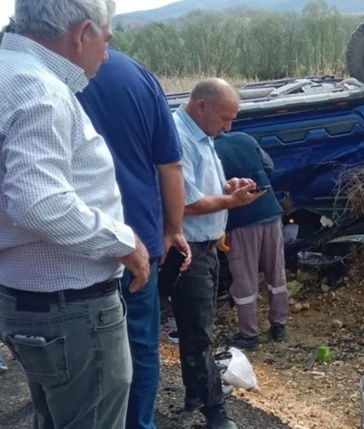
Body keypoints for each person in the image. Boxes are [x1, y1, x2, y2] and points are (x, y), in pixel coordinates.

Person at [0, 1, 151, 428]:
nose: (106, 54)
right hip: (71, 309)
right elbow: (40, 203)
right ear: (83, 33)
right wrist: (124, 242)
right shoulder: (39, 88)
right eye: (106, 39)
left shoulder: (8, 73)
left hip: (26, 297)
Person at [76, 47, 191, 429]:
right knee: (140, 345)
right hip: (138, 239)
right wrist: (174, 229)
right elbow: (170, 165)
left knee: (78, 357)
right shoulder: (137, 75)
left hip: (71, 242)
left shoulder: (37, 73)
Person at [173, 78, 264, 429]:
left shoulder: (203, 134)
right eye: (225, 118)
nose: (229, 127)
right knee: (198, 335)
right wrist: (231, 201)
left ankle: (195, 395)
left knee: (197, 329)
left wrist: (228, 187)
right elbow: (185, 203)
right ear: (202, 106)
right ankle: (216, 414)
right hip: (189, 250)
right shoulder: (180, 137)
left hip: (206, 247)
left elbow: (200, 188)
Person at [214, 132, 288, 351]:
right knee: (276, 273)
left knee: (244, 279)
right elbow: (269, 166)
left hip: (241, 220)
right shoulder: (245, 138)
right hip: (270, 212)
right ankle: (279, 326)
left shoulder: (208, 150)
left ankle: (249, 335)